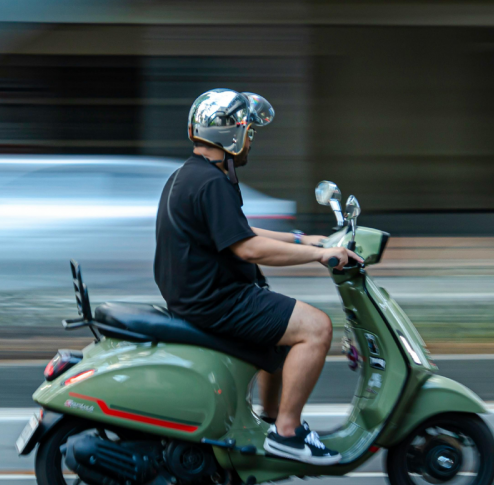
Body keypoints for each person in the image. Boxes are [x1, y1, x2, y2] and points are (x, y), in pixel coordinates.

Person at [154, 88, 362, 465]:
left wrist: (304, 238)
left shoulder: (190, 176)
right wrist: (319, 255)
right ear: (232, 135)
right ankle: (287, 431)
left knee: (284, 327)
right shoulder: (212, 183)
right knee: (315, 327)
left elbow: (240, 232)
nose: (252, 140)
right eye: (250, 131)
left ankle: (269, 420)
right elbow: (247, 249)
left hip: (200, 297)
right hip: (218, 301)